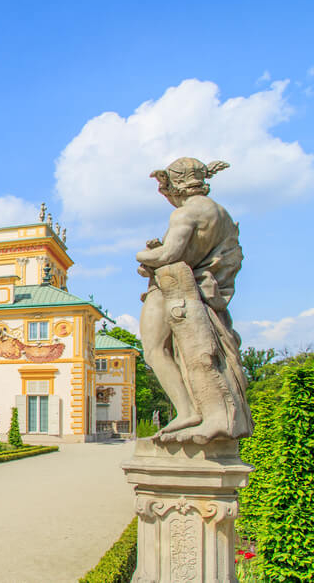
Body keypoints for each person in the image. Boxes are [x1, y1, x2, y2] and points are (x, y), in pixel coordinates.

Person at [136, 158, 251, 444]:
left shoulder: (186, 215)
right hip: (199, 291)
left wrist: (143, 255)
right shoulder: (220, 215)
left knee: (155, 350)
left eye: (167, 189)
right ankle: (196, 411)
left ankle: (187, 411)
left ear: (176, 185)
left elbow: (166, 257)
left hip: (172, 290)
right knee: (185, 354)